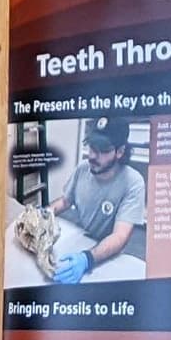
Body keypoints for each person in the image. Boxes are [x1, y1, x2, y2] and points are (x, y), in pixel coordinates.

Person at [52, 117, 146, 278]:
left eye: (103, 150)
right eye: (92, 147)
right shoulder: (83, 169)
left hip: (109, 253)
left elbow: (120, 236)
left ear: (120, 152)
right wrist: (44, 214)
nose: (93, 156)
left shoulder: (133, 183)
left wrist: (87, 259)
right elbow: (65, 201)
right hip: (82, 238)